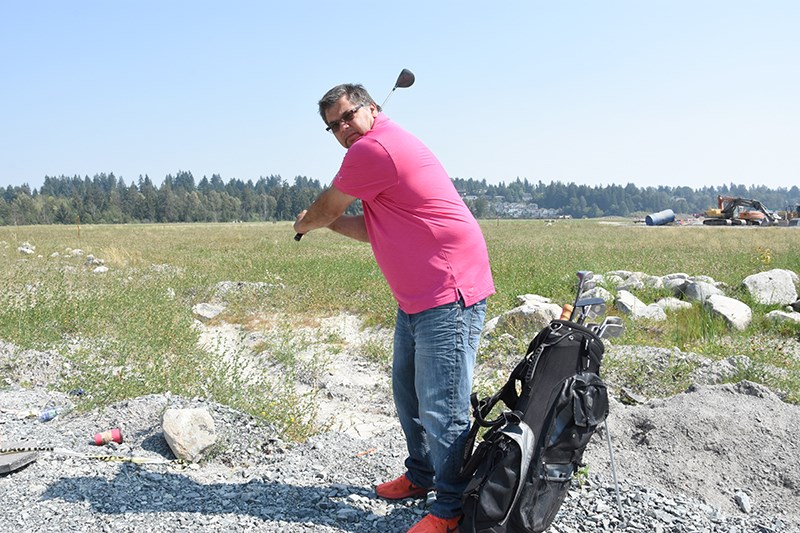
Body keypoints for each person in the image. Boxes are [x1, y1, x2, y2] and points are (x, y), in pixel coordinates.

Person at [294, 82, 494, 533]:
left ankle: (451, 510)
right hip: (420, 295)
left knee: (443, 404)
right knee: (409, 393)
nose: (344, 129)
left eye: (348, 117)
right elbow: (374, 229)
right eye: (333, 126)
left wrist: (308, 221)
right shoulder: (376, 151)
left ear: (372, 108)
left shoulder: (374, 149)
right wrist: (324, 224)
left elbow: (325, 208)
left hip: (448, 289)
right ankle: (423, 477)